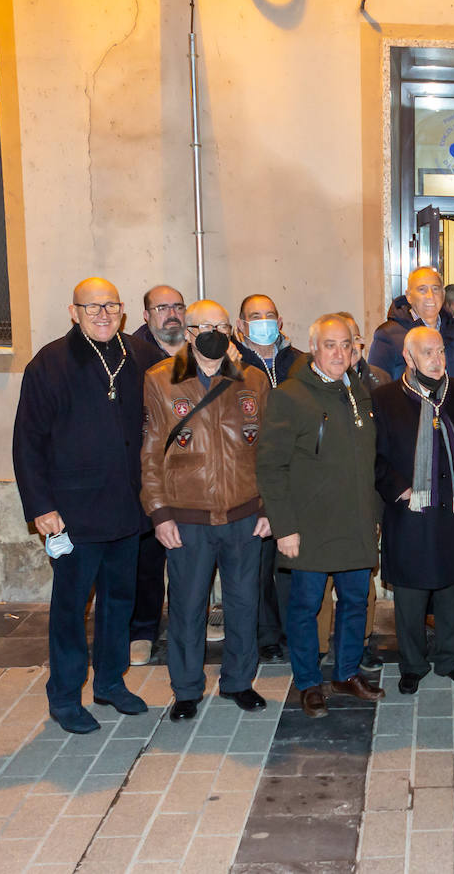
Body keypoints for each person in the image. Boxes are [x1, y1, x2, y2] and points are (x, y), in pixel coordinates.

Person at [12, 278, 165, 734]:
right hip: (72, 514)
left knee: (120, 601)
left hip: (127, 508)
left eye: (110, 305)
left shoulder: (141, 357)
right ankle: (63, 696)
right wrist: (40, 505)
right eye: (92, 306)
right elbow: (28, 441)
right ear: (73, 311)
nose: (102, 314)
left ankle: (111, 683)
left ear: (121, 311)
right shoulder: (49, 364)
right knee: (71, 608)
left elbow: (182, 391)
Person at [139, 301, 273, 721]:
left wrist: (270, 507)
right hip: (187, 516)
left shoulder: (251, 379)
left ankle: (238, 681)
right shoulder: (161, 380)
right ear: (190, 332)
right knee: (186, 607)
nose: (213, 332)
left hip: (245, 514)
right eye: (204, 326)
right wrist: (159, 513)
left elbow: (269, 450)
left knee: (243, 602)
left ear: (231, 330)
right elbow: (150, 453)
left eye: (221, 325)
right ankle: (186, 689)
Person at [256, 315, 383, 719]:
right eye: (330, 345)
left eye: (346, 345)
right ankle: (309, 682)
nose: (339, 353)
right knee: (305, 608)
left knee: (354, 602)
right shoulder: (290, 396)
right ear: (313, 348)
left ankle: (346, 673)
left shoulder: (358, 391)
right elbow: (270, 466)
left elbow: (369, 462)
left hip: (355, 522)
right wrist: (284, 527)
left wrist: (373, 515)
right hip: (307, 528)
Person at [373, 326, 454, 694]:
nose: (437, 360)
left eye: (440, 351)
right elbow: (374, 458)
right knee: (410, 594)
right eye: (427, 353)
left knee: (450, 590)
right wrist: (401, 489)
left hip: (452, 510)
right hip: (410, 512)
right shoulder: (386, 399)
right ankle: (411, 664)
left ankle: (450, 659)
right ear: (409, 358)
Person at [314, 312, 390, 672]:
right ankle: (320, 645)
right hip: (326, 503)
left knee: (363, 583)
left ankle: (359, 644)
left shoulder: (379, 382)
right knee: (323, 580)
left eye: (353, 341)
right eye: (339, 343)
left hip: (365, 497)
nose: (348, 349)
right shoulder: (314, 385)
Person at [236, 293, 308, 660]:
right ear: (240, 326)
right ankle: (266, 633)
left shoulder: (299, 362)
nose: (263, 323)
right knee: (259, 561)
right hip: (252, 475)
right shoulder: (233, 364)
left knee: (292, 559)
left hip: (297, 474)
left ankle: (295, 627)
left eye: (269, 316)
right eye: (254, 316)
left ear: (280, 323)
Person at [129, 284, 187, 666]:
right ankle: (143, 630)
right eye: (161, 307)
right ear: (146, 315)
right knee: (148, 559)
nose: (171, 314)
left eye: (178, 306)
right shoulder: (132, 357)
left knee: (192, 558)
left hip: (196, 477)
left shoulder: (202, 351)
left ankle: (192, 620)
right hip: (151, 474)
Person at [367, 266, 454, 382]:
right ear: (409, 296)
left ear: (443, 294)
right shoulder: (388, 335)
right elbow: (376, 386)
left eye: (435, 289)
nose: (430, 296)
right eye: (422, 290)